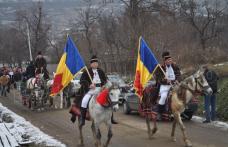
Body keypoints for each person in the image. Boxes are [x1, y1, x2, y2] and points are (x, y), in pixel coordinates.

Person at [79, 55, 118, 126]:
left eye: (96, 63)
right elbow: (81, 81)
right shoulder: (86, 71)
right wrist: (89, 85)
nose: (95, 64)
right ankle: (82, 118)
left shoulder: (101, 71)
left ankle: (111, 118)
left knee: (109, 100)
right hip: (91, 90)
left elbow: (106, 80)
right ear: (91, 64)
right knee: (84, 101)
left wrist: (104, 85)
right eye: (94, 63)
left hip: (101, 90)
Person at [155, 51, 181, 121]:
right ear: (165, 60)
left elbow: (178, 74)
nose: (170, 61)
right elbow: (158, 78)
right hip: (165, 86)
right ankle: (159, 113)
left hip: (174, 85)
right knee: (163, 97)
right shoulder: (160, 67)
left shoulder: (175, 66)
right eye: (168, 60)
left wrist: (177, 80)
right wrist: (165, 80)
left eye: (171, 60)